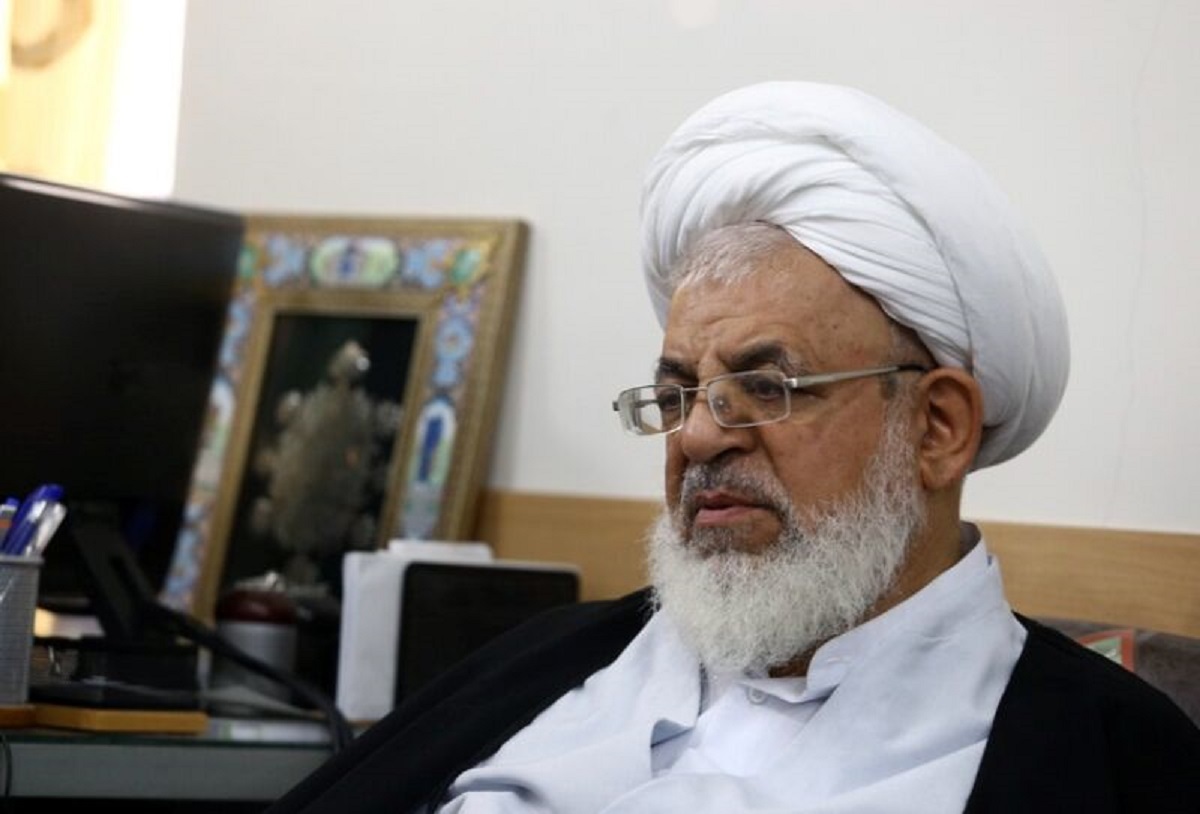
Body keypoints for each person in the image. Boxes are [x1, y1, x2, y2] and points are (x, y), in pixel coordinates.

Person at [269, 82, 1199, 813]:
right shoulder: (552, 659)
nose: (700, 435)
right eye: (676, 393)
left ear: (938, 428)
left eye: (767, 386)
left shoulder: (1107, 759)